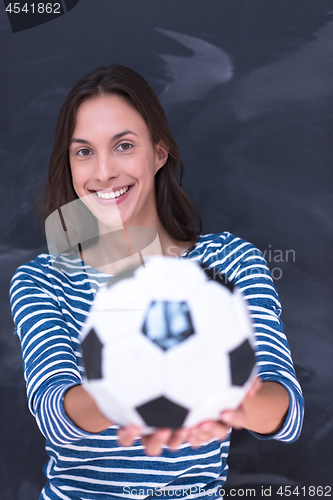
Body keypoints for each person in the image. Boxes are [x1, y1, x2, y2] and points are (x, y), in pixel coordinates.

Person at [10, 64, 304, 500]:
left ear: (159, 153)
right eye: (84, 151)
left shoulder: (230, 261)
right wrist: (141, 385)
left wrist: (225, 392)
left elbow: (287, 413)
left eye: (124, 145)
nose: (104, 171)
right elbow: (56, 415)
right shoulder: (43, 279)